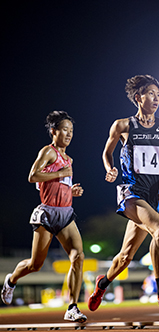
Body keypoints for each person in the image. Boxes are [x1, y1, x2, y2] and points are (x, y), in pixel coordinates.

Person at [88, 74, 159, 312]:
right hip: (131, 193)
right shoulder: (122, 125)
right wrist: (109, 168)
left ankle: (103, 283)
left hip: (151, 197)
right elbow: (106, 153)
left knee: (125, 258)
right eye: (151, 93)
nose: (156, 99)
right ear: (139, 97)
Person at [1, 110, 87, 322]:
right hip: (47, 214)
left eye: (71, 131)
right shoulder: (48, 152)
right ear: (53, 132)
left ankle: (72, 307)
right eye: (64, 130)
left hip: (66, 214)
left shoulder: (69, 159)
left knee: (78, 257)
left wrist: (71, 190)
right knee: (35, 264)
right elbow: (33, 176)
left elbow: (56, 184)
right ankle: (11, 280)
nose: (69, 134)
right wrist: (60, 174)